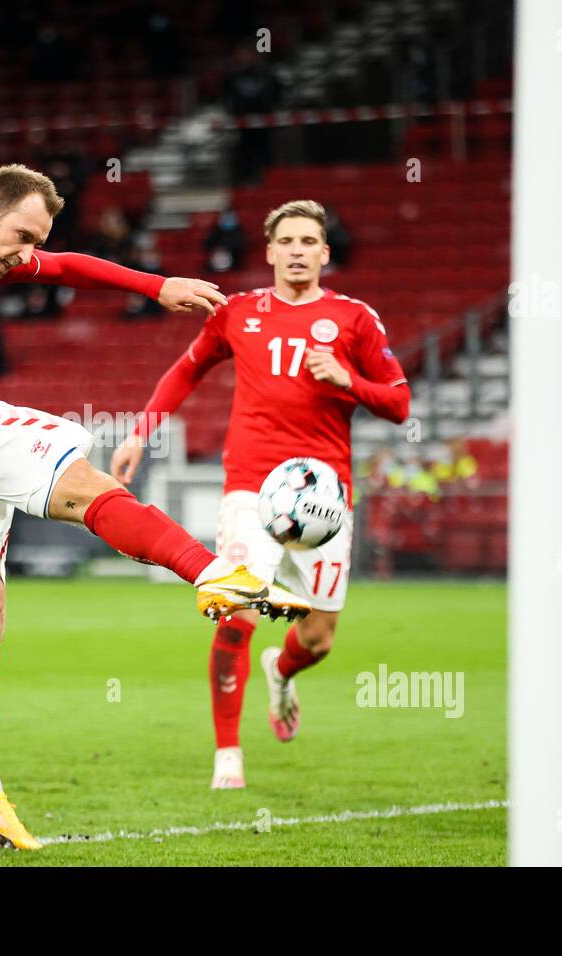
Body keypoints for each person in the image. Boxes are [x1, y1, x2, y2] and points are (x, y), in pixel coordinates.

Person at [0, 163, 310, 851]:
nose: (24, 251)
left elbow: (67, 264)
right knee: (77, 466)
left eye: (32, 239)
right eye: (19, 234)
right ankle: (209, 570)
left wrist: (156, 285)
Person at [110, 200, 412, 789]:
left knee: (319, 638)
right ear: (270, 252)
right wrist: (140, 433)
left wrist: (348, 380)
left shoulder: (355, 320)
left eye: (309, 242)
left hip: (324, 499)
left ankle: (283, 670)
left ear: (325, 253)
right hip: (250, 487)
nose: (298, 251)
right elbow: (186, 370)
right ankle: (228, 753)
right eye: (287, 241)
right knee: (237, 610)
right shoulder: (239, 313)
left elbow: (400, 403)